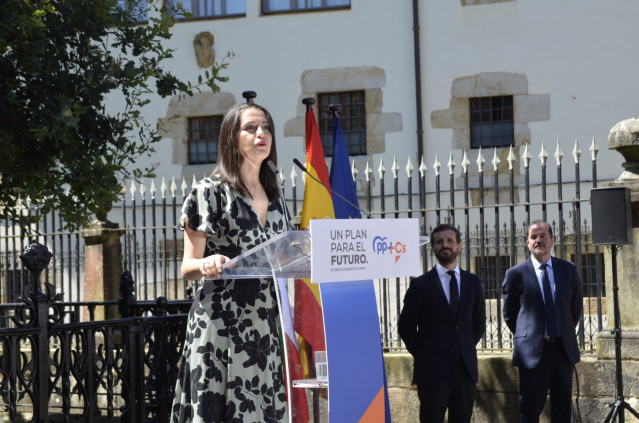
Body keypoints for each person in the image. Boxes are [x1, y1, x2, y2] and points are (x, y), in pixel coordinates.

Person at [171, 102, 289, 423]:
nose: (260, 134)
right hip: (221, 324)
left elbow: (284, 256)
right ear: (230, 138)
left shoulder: (277, 198)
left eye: (265, 127)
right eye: (250, 128)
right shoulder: (208, 193)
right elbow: (187, 266)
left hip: (264, 327)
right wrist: (208, 263)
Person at [398, 223, 486, 423]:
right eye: (439, 242)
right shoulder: (420, 285)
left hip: (465, 372)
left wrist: (462, 348)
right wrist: (425, 354)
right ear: (433, 248)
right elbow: (406, 327)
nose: (445, 245)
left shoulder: (472, 282)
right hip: (431, 372)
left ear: (458, 246)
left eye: (449, 241)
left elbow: (478, 323)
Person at [502, 220, 583, 423]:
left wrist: (561, 330)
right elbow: (510, 314)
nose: (539, 240)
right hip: (532, 353)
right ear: (527, 243)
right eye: (534, 237)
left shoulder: (568, 269)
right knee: (530, 410)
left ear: (552, 240)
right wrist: (531, 334)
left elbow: (574, 308)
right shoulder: (515, 275)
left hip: (562, 351)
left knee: (563, 410)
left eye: (543, 236)